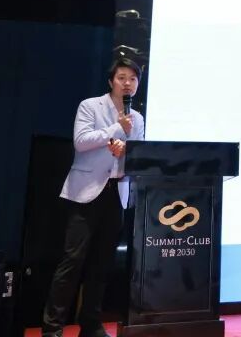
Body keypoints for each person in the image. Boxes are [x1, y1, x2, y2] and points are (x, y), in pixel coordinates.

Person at [41, 57, 145, 337]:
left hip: (116, 192)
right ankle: (52, 328)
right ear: (111, 81)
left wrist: (126, 152)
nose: (127, 83)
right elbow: (81, 141)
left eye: (133, 79)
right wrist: (116, 129)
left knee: (102, 263)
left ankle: (91, 325)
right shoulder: (90, 106)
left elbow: (138, 154)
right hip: (86, 193)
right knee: (72, 260)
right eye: (122, 78)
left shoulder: (137, 118)